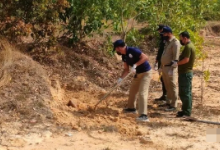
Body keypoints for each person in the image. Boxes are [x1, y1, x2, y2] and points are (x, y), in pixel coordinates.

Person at [113, 39, 152, 122]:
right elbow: (126, 70)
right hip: (138, 73)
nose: (116, 51)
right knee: (132, 91)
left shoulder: (133, 50)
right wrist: (120, 79)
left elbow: (145, 57)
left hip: (146, 73)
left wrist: (135, 65)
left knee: (142, 93)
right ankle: (131, 108)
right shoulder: (124, 56)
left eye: (116, 49)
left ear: (119, 48)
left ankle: (144, 115)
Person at [160, 26, 181, 111]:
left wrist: (172, 69)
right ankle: (168, 102)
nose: (163, 35)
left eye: (164, 33)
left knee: (172, 86)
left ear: (169, 33)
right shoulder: (167, 42)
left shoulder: (175, 43)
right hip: (165, 67)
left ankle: (174, 105)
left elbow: (175, 58)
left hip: (170, 68)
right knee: (167, 85)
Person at [176, 31, 195, 117]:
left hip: (185, 73)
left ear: (185, 38)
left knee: (185, 92)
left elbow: (186, 59)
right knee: (186, 92)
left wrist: (176, 63)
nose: (181, 41)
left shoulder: (188, 47)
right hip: (186, 73)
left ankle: (187, 112)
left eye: (181, 39)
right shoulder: (190, 46)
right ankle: (185, 110)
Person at [155, 24, 167, 101]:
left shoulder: (167, 39)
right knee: (162, 77)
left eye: (160, 30)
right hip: (160, 60)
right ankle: (164, 94)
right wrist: (157, 58)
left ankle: (166, 95)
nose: (159, 31)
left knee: (165, 78)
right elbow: (160, 50)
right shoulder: (162, 38)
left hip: (165, 61)